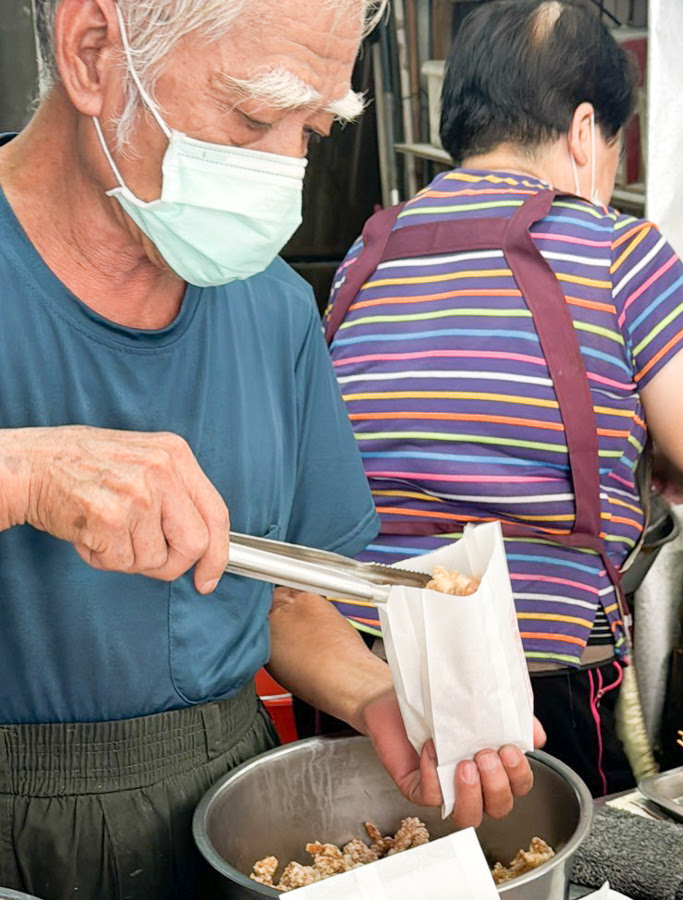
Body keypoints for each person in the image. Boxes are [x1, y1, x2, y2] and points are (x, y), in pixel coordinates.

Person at [0, 2, 537, 897]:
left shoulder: (274, 308)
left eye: (313, 128)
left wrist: (379, 700)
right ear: (94, 52)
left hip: (232, 805)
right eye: (253, 116)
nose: (285, 171)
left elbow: (286, 597)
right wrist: (23, 470)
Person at [323, 0, 683, 795]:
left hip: (361, 664)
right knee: (542, 873)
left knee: (390, 867)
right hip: (535, 672)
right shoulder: (616, 250)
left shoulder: (371, 248)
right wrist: (666, 460)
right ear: (584, 128)